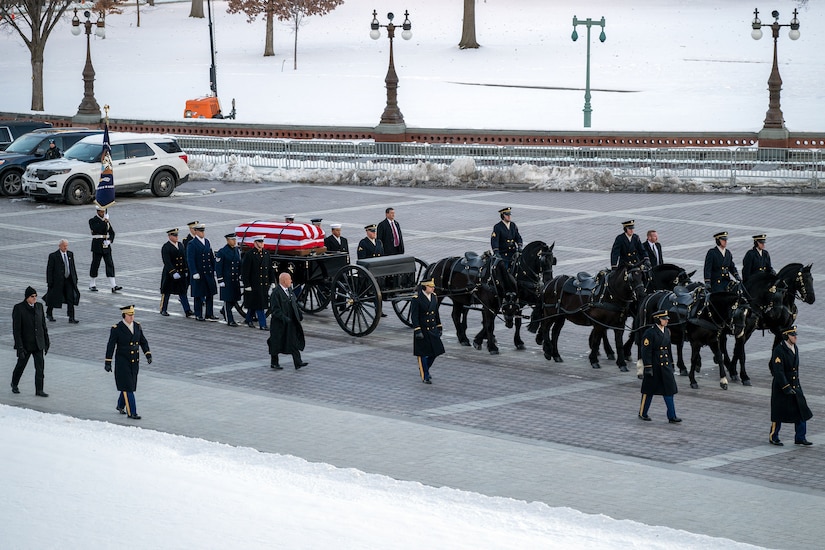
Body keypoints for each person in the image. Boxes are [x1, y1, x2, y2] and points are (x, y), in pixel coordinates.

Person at [105, 305, 152, 420]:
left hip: (134, 362)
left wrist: (148, 354)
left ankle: (120, 405)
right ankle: (132, 412)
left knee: (128, 385)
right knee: (128, 388)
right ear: (124, 315)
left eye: (133, 315)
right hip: (122, 362)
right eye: (129, 315)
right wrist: (108, 361)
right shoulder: (117, 328)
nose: (132, 317)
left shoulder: (137, 326)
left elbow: (143, 341)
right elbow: (111, 345)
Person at [769, 326, 813, 446]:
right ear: (786, 336)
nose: (795, 337)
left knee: (801, 411)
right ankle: (774, 436)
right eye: (792, 335)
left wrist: (794, 385)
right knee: (778, 413)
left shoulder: (795, 348)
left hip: (795, 385)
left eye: (795, 335)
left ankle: (800, 437)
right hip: (782, 387)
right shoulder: (779, 350)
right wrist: (786, 387)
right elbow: (778, 371)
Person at [638, 310, 681, 423]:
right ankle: (643, 412)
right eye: (664, 319)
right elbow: (646, 351)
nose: (667, 320)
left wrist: (671, 363)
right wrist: (648, 367)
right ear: (658, 320)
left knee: (669, 391)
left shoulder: (667, 331)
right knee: (648, 391)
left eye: (667, 319)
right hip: (654, 366)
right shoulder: (650, 333)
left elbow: (668, 349)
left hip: (665, 366)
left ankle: (672, 416)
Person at [11, 286, 50, 397]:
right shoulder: (19, 308)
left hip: (38, 343)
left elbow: (43, 325)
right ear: (27, 297)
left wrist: (46, 342)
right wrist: (19, 347)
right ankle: (14, 383)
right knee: (20, 366)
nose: (34, 298)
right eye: (32, 296)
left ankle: (39, 389)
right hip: (26, 344)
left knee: (40, 368)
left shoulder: (39, 307)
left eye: (36, 296)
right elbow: (17, 330)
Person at [268, 272, 307, 370]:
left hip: (290, 322)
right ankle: (274, 363)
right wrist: (284, 318)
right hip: (279, 324)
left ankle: (298, 362)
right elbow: (275, 309)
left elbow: (294, 303)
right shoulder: (276, 293)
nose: (291, 281)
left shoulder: (289, 290)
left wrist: (299, 314)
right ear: (284, 281)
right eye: (289, 279)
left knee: (293, 341)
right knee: (276, 342)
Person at [411, 278, 444, 384]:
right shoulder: (416, 299)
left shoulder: (434, 297)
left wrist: (439, 326)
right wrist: (417, 330)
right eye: (431, 286)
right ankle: (425, 375)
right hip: (423, 329)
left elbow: (436, 313)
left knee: (436, 352)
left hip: (432, 328)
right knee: (423, 354)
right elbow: (414, 316)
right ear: (425, 287)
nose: (433, 288)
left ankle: (425, 368)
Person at [186, 223, 219, 321]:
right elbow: (190, 259)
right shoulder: (192, 244)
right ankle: (198, 314)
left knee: (210, 294)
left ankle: (209, 313)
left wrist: (214, 269)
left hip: (208, 272)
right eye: (200, 231)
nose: (202, 233)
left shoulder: (207, 242)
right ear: (195, 232)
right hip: (199, 273)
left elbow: (210, 256)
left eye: (203, 231)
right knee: (199, 294)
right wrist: (194, 272)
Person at [241, 235, 273, 329]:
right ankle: (263, 324)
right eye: (259, 242)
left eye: (262, 242)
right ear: (255, 243)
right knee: (260, 305)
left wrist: (272, 281)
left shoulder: (266, 254)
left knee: (254, 303)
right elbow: (245, 271)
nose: (261, 244)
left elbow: (270, 269)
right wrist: (246, 284)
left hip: (264, 284)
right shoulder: (249, 255)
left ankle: (248, 319)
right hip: (254, 284)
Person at [44, 239, 80, 323]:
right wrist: (50, 282)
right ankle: (49, 313)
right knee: (53, 297)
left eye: (66, 246)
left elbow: (72, 267)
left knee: (70, 298)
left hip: (68, 280)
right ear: (59, 246)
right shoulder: (53, 256)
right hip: (58, 281)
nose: (65, 247)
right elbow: (49, 269)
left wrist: (75, 278)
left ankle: (71, 317)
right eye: (64, 246)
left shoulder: (70, 254)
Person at [160, 228, 192, 317]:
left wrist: (185, 270)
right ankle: (163, 309)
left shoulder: (180, 245)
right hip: (170, 274)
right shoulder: (166, 247)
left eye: (177, 235)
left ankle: (187, 310)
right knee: (166, 292)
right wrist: (173, 272)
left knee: (182, 292)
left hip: (181, 272)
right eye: (174, 235)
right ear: (169, 236)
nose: (176, 237)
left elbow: (184, 258)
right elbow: (167, 261)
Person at [89, 205, 121, 293]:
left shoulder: (106, 221)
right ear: (98, 212)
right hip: (97, 245)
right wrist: (105, 221)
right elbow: (98, 229)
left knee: (110, 264)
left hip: (106, 245)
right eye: (101, 212)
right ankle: (92, 284)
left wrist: (110, 240)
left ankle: (113, 285)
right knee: (95, 264)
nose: (103, 213)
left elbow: (112, 232)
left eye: (104, 212)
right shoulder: (92, 221)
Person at [216, 233, 243, 327]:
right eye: (232, 239)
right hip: (226, 280)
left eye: (235, 239)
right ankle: (229, 320)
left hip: (234, 280)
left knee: (234, 298)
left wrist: (241, 275)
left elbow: (239, 264)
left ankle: (223, 310)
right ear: (227, 240)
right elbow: (218, 267)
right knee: (228, 300)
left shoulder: (236, 250)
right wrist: (220, 280)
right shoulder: (222, 252)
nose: (234, 241)